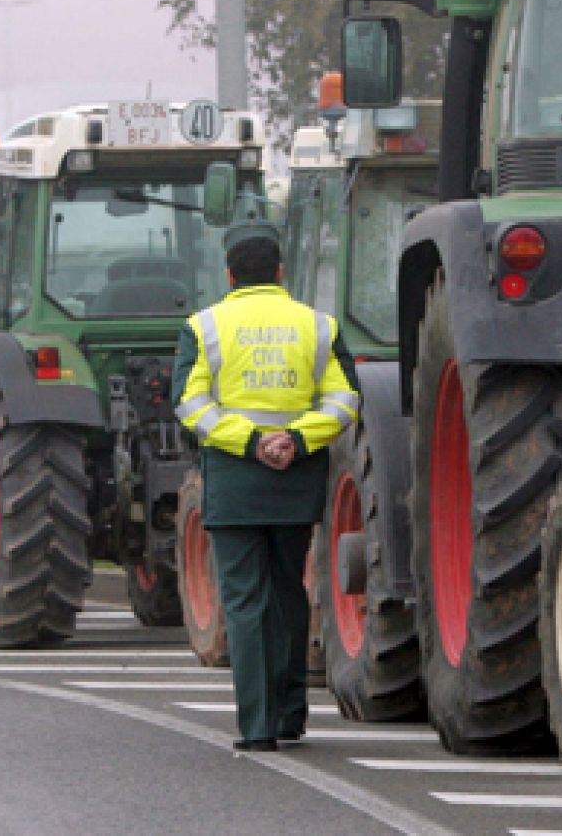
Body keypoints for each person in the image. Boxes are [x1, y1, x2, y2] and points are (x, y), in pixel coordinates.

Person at [172, 222, 360, 752]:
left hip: (234, 484)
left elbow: (190, 405)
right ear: (281, 272)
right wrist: (294, 442)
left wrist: (251, 442)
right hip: (294, 481)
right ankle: (289, 718)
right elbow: (345, 400)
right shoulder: (317, 326)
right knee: (289, 594)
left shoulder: (204, 327)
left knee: (244, 600)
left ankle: (256, 728)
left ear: (229, 275)